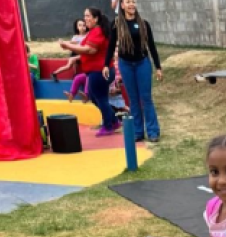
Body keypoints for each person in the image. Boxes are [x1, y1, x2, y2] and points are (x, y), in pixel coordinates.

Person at [104, 0, 163, 143]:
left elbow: (151, 47)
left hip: (142, 63)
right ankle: (138, 132)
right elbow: (111, 46)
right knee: (133, 99)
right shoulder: (116, 24)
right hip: (126, 64)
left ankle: (153, 131)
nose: (131, 4)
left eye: (133, 1)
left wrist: (158, 67)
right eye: (128, 2)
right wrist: (106, 65)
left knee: (146, 98)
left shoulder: (144, 24)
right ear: (122, 5)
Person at [60, 8, 119, 137]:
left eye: (88, 16)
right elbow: (88, 52)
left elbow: (89, 50)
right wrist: (74, 57)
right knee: (94, 97)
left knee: (101, 98)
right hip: (96, 71)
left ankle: (108, 125)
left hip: (99, 72)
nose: (85, 18)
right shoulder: (94, 32)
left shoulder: (97, 31)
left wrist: (68, 46)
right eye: (84, 16)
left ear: (96, 18)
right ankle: (113, 121)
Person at [54, 19, 90, 102]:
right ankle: (71, 95)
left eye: (84, 25)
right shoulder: (76, 37)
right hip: (79, 56)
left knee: (88, 77)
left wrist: (66, 43)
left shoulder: (88, 36)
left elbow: (77, 44)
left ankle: (86, 96)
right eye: (80, 25)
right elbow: (72, 43)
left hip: (87, 62)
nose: (82, 27)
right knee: (77, 77)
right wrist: (64, 43)